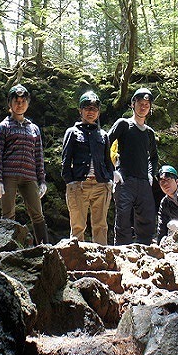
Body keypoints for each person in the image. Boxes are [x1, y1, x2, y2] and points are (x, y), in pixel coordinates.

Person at [0, 84, 48, 244]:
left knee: (37, 214)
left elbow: (38, 156)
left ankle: (46, 250)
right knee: (8, 214)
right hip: (9, 175)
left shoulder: (34, 129)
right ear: (10, 103)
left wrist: (42, 181)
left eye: (23, 101)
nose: (20, 104)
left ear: (28, 104)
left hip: (30, 177)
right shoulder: (4, 126)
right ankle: (5, 249)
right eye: (16, 101)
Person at [60, 90, 114, 244]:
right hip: (79, 184)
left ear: (98, 112)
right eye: (87, 108)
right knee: (77, 226)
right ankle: (76, 260)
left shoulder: (103, 135)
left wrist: (109, 180)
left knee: (101, 226)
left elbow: (107, 160)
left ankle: (103, 259)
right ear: (80, 110)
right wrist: (70, 182)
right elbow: (66, 159)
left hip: (100, 185)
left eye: (94, 109)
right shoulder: (72, 132)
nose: (91, 112)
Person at [108, 87, 159, 245]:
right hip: (125, 180)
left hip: (144, 182)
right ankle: (121, 253)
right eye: (140, 103)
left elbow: (154, 157)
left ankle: (146, 253)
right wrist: (112, 171)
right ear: (132, 104)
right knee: (123, 219)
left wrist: (151, 174)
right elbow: (105, 145)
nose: (143, 106)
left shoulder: (149, 132)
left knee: (147, 220)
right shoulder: (123, 124)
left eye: (146, 104)